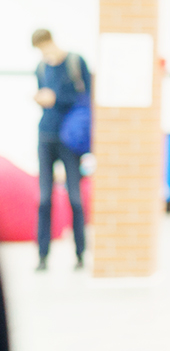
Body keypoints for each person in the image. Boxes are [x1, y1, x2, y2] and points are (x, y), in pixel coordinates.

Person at [32, 29, 90, 271]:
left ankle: (80, 253)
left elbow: (84, 97)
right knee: (44, 199)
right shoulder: (41, 68)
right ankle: (43, 255)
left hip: (70, 139)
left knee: (75, 199)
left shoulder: (75, 63)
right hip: (46, 137)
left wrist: (56, 97)